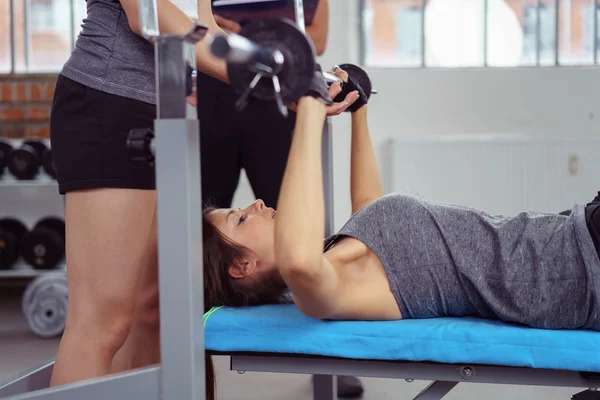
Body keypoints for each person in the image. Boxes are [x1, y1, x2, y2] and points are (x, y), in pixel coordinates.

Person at [201, 67, 600, 394]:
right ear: (243, 267)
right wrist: (307, 111)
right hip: (575, 268)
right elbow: (299, 262)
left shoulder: (340, 257)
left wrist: (359, 112)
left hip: (571, 234)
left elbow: (370, 206)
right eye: (239, 218)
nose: (253, 204)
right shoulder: (319, 291)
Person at [48, 0, 350, 390]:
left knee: (151, 308)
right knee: (101, 323)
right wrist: (284, 80)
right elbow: (150, 16)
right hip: (108, 100)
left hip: (158, 110)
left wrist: (292, 81)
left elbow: (205, 27)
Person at [198, 0, 329, 209]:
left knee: (286, 208)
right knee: (205, 212)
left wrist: (247, 36)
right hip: (214, 90)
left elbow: (318, 40)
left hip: (275, 95)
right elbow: (192, 24)